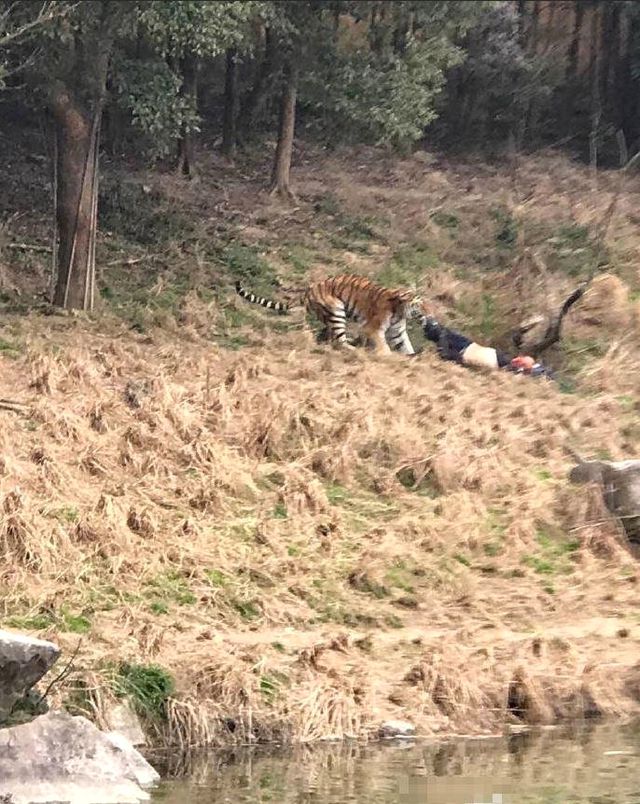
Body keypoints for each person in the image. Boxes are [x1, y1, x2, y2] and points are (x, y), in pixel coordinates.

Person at [421, 316, 553, 378]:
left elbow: (518, 363)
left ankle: (427, 324)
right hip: (482, 355)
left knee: (443, 334)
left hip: (483, 356)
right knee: (445, 336)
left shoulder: (525, 368)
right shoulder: (527, 371)